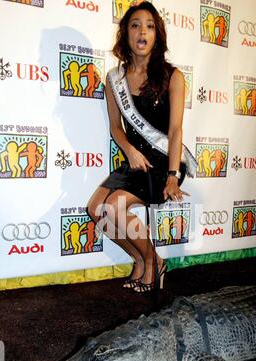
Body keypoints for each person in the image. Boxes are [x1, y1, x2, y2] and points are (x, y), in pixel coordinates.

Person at [87, 1, 189, 293]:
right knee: (96, 209)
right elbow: (116, 127)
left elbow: (175, 130)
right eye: (135, 25)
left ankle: (151, 261)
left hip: (163, 163)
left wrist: (171, 176)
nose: (142, 31)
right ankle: (143, 258)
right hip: (135, 160)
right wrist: (130, 151)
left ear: (157, 34)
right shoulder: (114, 78)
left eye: (149, 25)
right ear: (125, 34)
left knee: (115, 209)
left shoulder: (174, 77)